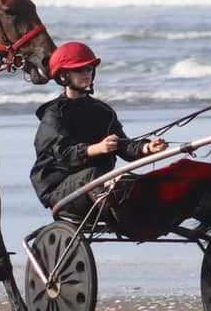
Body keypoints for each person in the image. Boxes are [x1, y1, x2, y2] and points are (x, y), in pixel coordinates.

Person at [31, 41, 169, 216]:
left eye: (89, 69)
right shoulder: (53, 114)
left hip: (98, 183)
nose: (86, 73)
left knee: (139, 183)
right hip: (58, 190)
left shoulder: (102, 111)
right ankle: (124, 216)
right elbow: (63, 155)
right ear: (63, 76)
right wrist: (97, 148)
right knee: (94, 175)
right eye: (79, 70)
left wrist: (147, 147)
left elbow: (124, 145)